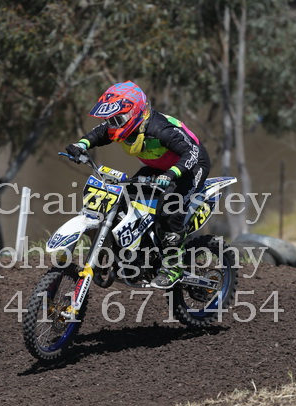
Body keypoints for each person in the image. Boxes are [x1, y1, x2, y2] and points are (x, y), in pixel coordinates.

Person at [66, 81, 211, 289]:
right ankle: (134, 253)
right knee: (124, 197)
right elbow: (100, 132)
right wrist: (81, 145)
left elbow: (192, 153)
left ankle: (173, 267)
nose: (113, 125)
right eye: (110, 120)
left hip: (190, 167)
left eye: (117, 119)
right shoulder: (121, 126)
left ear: (134, 112)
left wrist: (171, 174)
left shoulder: (161, 129)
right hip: (159, 167)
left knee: (170, 209)